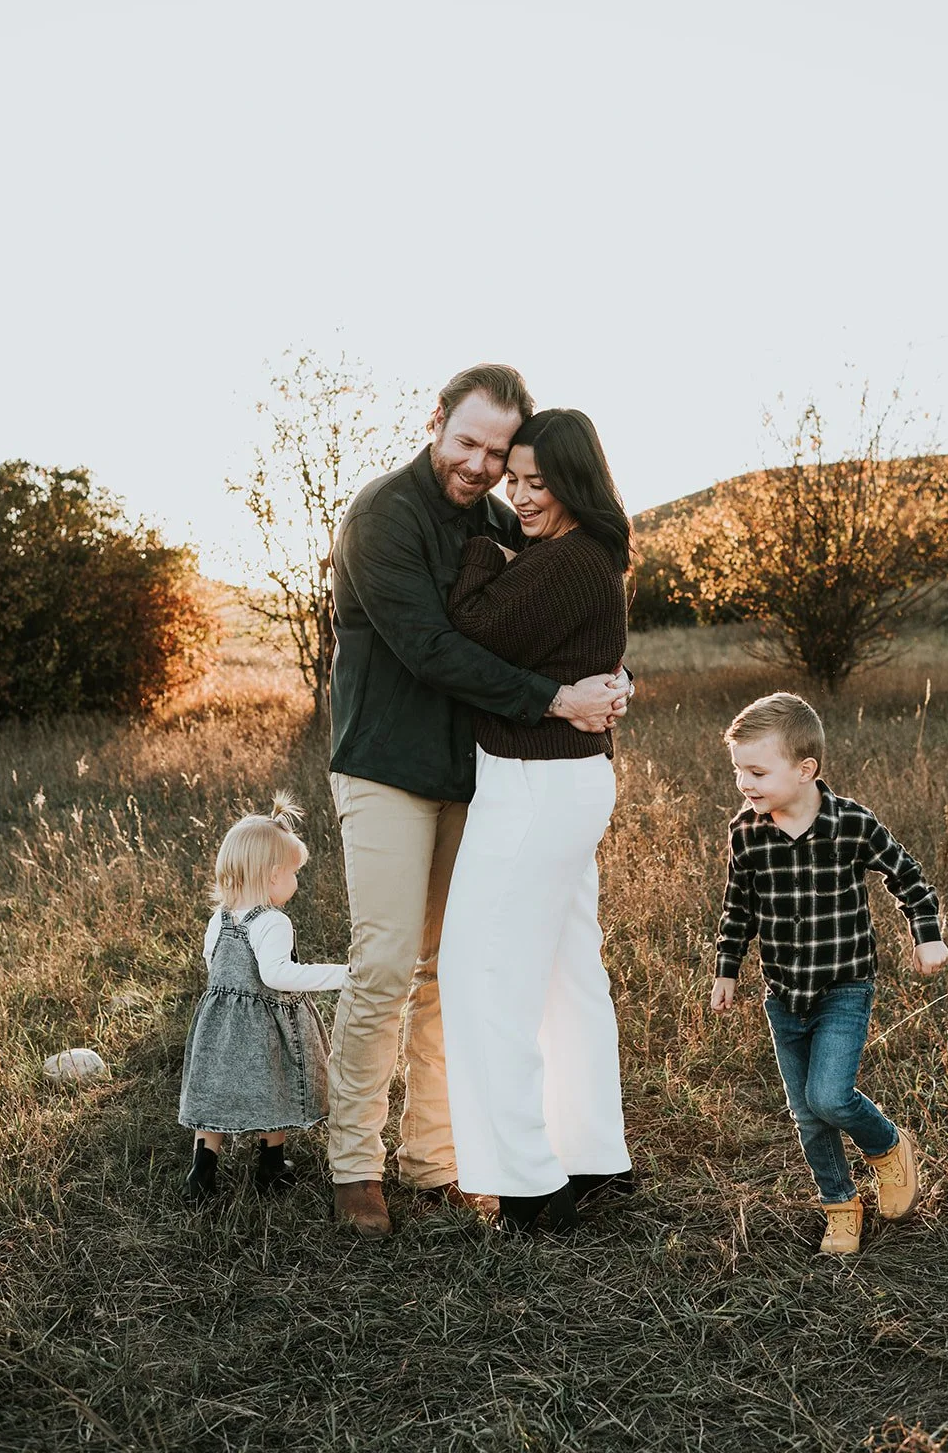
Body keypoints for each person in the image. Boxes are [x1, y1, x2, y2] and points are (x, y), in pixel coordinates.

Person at [327, 365, 630, 1239]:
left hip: (473, 771)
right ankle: (354, 1165)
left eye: (497, 452)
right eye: (467, 442)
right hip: (387, 765)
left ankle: (434, 1157)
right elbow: (431, 648)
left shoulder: (498, 517)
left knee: (447, 969)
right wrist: (556, 699)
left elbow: (557, 615)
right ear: (435, 422)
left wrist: (610, 679)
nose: (480, 465)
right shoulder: (382, 518)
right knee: (386, 963)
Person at [438, 408, 635, 1234]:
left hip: (535, 785)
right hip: (562, 780)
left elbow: (470, 624)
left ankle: (526, 1184)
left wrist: (486, 549)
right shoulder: (586, 555)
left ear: (574, 484)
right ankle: (593, 1157)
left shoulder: (564, 560)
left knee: (482, 975)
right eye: (512, 481)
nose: (518, 497)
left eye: (536, 484)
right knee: (563, 975)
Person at [709, 693, 948, 1254]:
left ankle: (886, 1146)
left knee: (830, 1098)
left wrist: (927, 934)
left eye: (757, 772)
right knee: (806, 1114)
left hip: (844, 985)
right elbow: (738, 907)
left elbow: (907, 876)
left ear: (805, 769)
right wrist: (727, 968)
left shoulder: (851, 824)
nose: (744, 783)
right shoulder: (746, 832)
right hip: (783, 994)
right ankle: (840, 1205)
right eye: (739, 770)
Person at [178, 795, 347, 1202]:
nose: (296, 881)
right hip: (265, 1026)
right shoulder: (273, 921)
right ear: (273, 877)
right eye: (294, 872)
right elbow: (277, 974)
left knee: (215, 1089)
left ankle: (202, 1169)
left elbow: (212, 962)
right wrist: (343, 975)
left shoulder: (219, 918)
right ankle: (271, 1165)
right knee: (276, 1084)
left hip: (220, 1022)